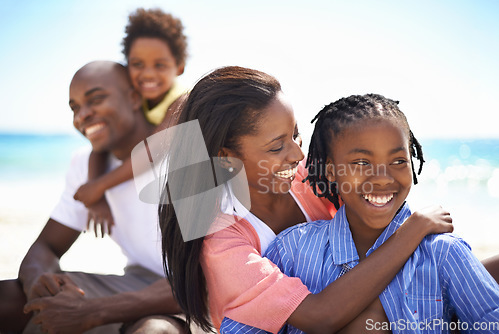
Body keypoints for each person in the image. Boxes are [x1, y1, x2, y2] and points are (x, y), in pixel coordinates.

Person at [159, 66, 454, 334]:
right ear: (225, 158)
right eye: (277, 147)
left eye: (296, 136)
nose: (298, 155)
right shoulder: (221, 239)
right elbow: (318, 317)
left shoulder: (305, 179)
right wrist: (413, 230)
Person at [221, 94, 499, 333]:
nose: (382, 178)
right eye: (361, 162)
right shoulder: (291, 251)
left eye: (399, 161)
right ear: (330, 170)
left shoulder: (445, 253)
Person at [0, 61, 200, 334]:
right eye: (74, 108)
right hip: (138, 281)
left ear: (133, 98)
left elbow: (205, 279)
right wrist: (36, 280)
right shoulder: (86, 166)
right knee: (9, 299)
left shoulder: (184, 155)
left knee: (154, 331)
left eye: (95, 99)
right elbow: (46, 246)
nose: (82, 116)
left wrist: (93, 311)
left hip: (196, 296)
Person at [73, 8, 188, 236]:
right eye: (138, 64)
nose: (147, 74)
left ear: (180, 67)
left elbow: (154, 150)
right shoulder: (135, 97)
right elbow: (99, 149)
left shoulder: (182, 100)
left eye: (160, 65)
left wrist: (100, 186)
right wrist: (95, 196)